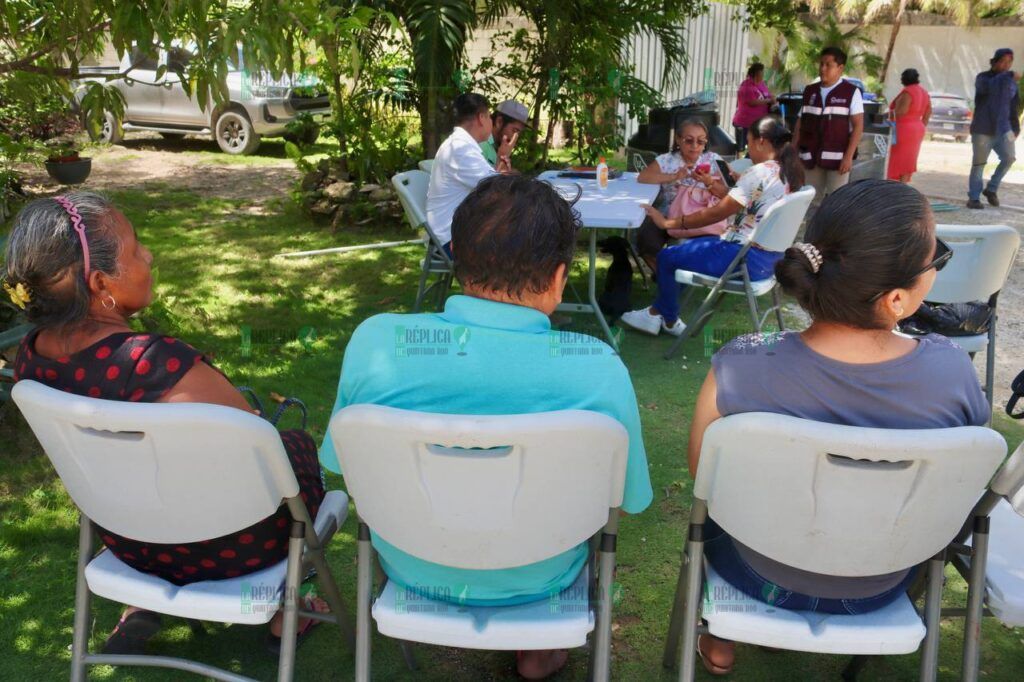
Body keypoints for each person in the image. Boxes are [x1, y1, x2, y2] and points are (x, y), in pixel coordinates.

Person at [320, 175, 653, 680]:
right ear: (559, 277)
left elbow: (340, 464)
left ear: (458, 258)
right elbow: (625, 502)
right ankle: (539, 648)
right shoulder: (597, 365)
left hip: (410, 564)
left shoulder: (377, 344)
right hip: (543, 574)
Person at [3, 192, 328, 655]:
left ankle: (139, 603)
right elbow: (256, 454)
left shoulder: (31, 362)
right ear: (99, 282)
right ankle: (283, 615)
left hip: (129, 542)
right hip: (230, 547)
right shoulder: (156, 363)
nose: (149, 255)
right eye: (136, 249)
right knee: (294, 447)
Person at [689, 180, 989, 675]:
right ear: (896, 298)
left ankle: (721, 634)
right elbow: (964, 490)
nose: (937, 268)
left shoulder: (742, 362)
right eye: (936, 260)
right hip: (882, 581)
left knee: (719, 502)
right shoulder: (952, 373)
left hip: (755, 575)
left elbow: (704, 476)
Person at [620, 116, 804, 337]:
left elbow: (715, 213)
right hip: (769, 261)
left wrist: (668, 222)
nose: (748, 149)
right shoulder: (789, 172)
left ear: (761, 141)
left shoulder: (758, 172)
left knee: (667, 258)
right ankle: (654, 314)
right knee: (682, 254)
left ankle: (665, 319)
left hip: (743, 257)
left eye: (749, 141)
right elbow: (747, 204)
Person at [635, 118, 730, 272]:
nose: (694, 146)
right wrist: (674, 177)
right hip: (668, 215)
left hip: (703, 218)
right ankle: (664, 275)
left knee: (688, 249)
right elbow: (643, 177)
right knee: (646, 240)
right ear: (678, 140)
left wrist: (709, 182)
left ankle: (670, 278)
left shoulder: (714, 160)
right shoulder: (667, 160)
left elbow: (730, 194)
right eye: (688, 140)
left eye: (700, 141)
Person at [426, 92, 510, 256]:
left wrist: (501, 169)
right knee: (523, 241)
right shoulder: (461, 148)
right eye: (489, 118)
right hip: (451, 241)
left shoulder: (461, 144)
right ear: (481, 118)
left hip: (457, 233)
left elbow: (493, 184)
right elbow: (498, 188)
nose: (491, 123)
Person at [793, 47, 865, 200]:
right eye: (821, 64)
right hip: (810, 158)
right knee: (809, 202)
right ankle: (810, 225)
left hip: (838, 160)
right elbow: (801, 121)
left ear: (840, 68)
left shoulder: (851, 92)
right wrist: (793, 149)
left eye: (828, 65)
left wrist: (848, 156)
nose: (823, 68)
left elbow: (858, 126)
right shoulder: (810, 91)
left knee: (836, 202)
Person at [967, 48, 1021, 209]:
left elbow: (1013, 106)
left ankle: (991, 188)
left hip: (1003, 130)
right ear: (995, 61)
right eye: (1003, 61)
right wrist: (1008, 75)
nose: (1006, 65)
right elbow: (991, 87)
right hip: (983, 129)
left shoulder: (1010, 82)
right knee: (979, 164)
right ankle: (974, 198)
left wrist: (1015, 128)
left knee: (1009, 158)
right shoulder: (983, 78)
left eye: (1009, 62)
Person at [887, 68, 931, 183]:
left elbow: (901, 111)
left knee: (895, 159)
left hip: (903, 128)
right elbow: (928, 112)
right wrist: (921, 125)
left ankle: (890, 187)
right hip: (917, 128)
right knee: (908, 160)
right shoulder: (924, 92)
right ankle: (903, 187)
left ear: (905, 78)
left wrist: (886, 115)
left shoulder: (908, 91)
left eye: (902, 78)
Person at [732, 63, 776, 153]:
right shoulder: (746, 85)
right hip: (744, 123)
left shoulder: (762, 84)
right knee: (741, 150)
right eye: (761, 73)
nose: (763, 75)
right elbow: (752, 102)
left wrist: (772, 97)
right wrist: (768, 101)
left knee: (755, 148)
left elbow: (766, 94)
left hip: (758, 123)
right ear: (756, 74)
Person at [479, 99, 528, 168]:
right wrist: (501, 159)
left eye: (519, 133)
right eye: (514, 130)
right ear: (499, 122)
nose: (515, 137)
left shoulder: (498, 146)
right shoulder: (481, 144)